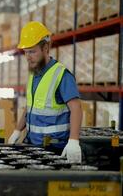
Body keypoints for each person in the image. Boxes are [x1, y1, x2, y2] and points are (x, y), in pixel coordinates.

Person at [8, 21, 83, 163]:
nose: (28, 57)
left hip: (54, 148)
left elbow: (77, 108)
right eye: (26, 52)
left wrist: (73, 141)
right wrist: (17, 130)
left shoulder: (61, 74)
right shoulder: (33, 74)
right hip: (33, 145)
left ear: (46, 48)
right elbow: (30, 107)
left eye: (32, 51)